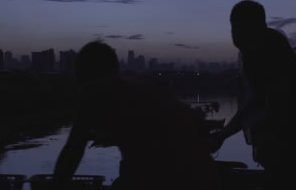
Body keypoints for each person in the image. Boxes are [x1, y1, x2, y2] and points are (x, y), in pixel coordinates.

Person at [53, 41, 219, 190]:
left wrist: (57, 186)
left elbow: (73, 150)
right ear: (115, 68)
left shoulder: (94, 91)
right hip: (205, 175)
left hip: (170, 178)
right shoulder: (147, 86)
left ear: (82, 74)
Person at [210, 0, 296, 190]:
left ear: (260, 27)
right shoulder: (253, 52)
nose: (237, 37)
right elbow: (258, 103)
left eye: (243, 30)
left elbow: (274, 103)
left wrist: (224, 135)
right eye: (234, 30)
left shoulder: (270, 48)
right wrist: (223, 135)